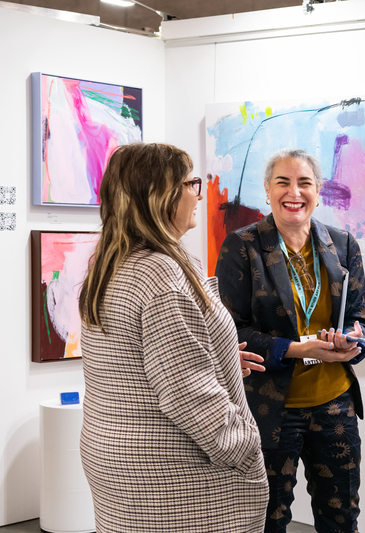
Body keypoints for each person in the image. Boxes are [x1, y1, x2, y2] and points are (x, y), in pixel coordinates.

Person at [78, 143, 268, 532]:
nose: (199, 193)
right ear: (160, 194)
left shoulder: (114, 262)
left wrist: (222, 361)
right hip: (176, 481)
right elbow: (187, 396)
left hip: (119, 460)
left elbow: (134, 361)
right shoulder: (161, 274)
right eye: (190, 183)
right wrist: (246, 446)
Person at [215, 148, 365, 533]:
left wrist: (352, 338)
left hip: (334, 406)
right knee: (268, 519)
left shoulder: (343, 244)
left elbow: (360, 316)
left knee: (341, 518)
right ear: (267, 189)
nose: (294, 192)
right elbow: (229, 330)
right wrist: (297, 350)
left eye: (304, 183)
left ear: (318, 189)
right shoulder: (242, 247)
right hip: (269, 410)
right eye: (283, 182)